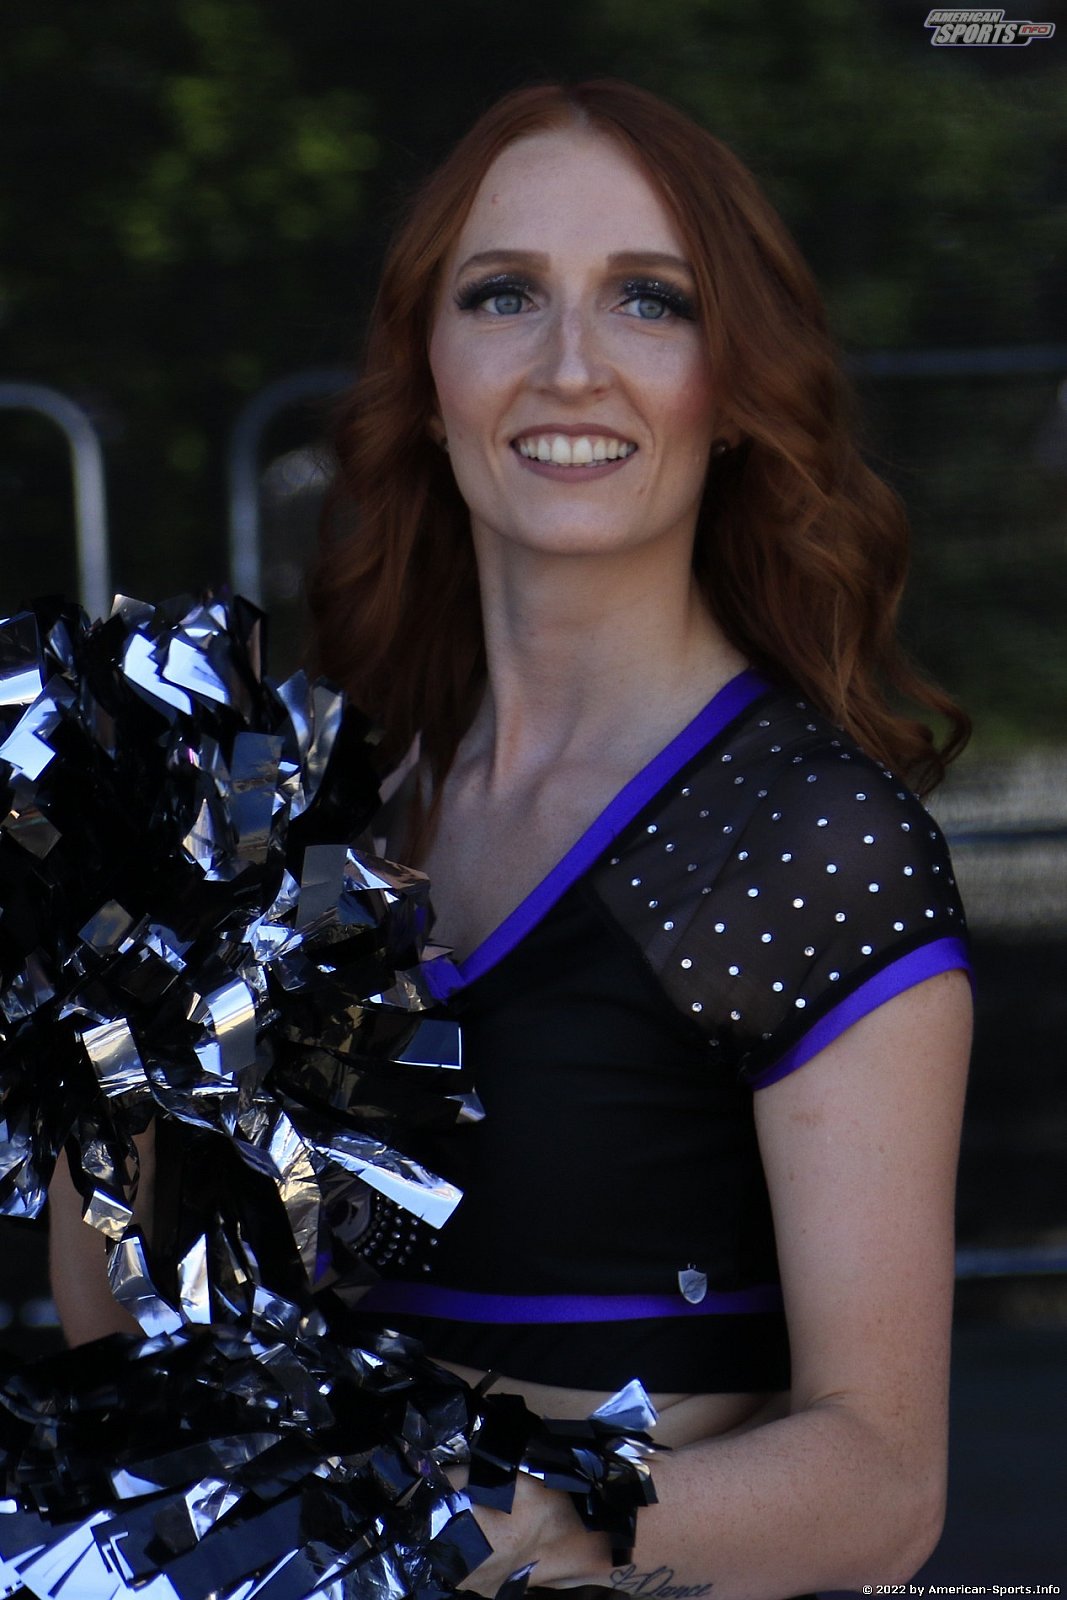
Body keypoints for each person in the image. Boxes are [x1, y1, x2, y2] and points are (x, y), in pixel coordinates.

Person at [51, 80, 973, 1600]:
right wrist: (108, 1007)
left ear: (737, 387)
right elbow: (134, 1345)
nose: (570, 366)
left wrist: (486, 1538)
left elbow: (881, 1485)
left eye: (650, 300)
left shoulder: (807, 838)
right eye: (504, 295)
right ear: (428, 374)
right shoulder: (320, 806)